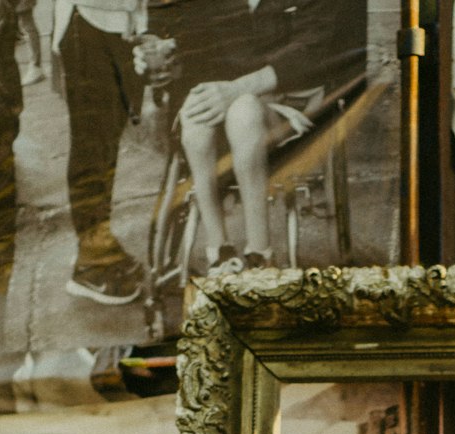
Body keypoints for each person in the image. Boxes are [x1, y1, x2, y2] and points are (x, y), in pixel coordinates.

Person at [143, 0, 363, 274]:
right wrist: (170, 52)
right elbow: (195, 39)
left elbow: (313, 50)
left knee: (244, 113)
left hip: (289, 97)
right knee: (196, 115)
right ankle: (219, 250)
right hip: (225, 92)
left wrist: (237, 89)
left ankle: (260, 254)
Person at [52, 0, 147, 304]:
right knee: (91, 147)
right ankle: (90, 263)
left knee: (106, 145)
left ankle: (99, 242)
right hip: (88, 25)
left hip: (117, 28)